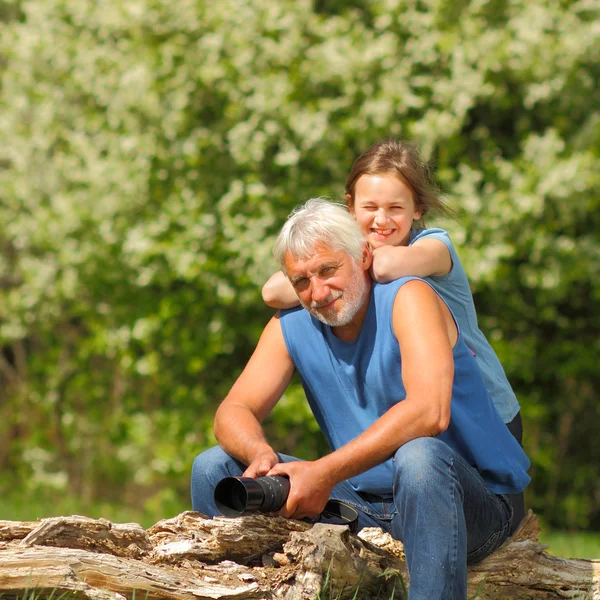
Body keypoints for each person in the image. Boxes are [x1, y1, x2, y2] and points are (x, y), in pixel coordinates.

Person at [191, 198, 531, 600]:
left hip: (470, 501)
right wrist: (258, 451)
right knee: (213, 465)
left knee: (420, 456)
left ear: (364, 256)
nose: (317, 292)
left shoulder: (411, 297)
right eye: (301, 281)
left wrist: (324, 472)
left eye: (328, 271)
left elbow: (429, 412)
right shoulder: (292, 324)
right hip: (364, 504)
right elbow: (233, 410)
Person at [262, 139, 523, 443]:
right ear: (350, 207)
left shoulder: (435, 246)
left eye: (395, 208)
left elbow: (385, 266)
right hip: (430, 412)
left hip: (489, 412)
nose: (381, 220)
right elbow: (273, 291)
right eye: (369, 207)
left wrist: (348, 256)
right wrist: (339, 260)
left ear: (418, 209)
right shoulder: (352, 256)